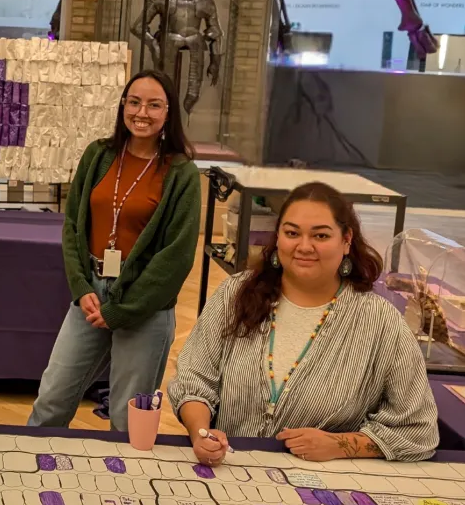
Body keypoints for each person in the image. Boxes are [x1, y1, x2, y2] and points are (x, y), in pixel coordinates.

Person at [169, 182, 438, 467]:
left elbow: (417, 429)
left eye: (320, 235)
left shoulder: (380, 321)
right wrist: (201, 432)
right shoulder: (235, 295)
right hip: (231, 472)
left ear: (346, 240)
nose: (304, 246)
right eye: (292, 233)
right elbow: (194, 380)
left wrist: (340, 445)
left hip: (324, 487)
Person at [28, 69, 201, 431]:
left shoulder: (181, 172)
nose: (142, 112)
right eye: (134, 102)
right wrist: (81, 287)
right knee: (52, 399)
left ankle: (121, 487)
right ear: (123, 105)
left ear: (169, 113)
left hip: (145, 306)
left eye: (154, 105)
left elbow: (177, 255)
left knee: (126, 419)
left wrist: (122, 310)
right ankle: (28, 480)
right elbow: (73, 226)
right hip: (91, 296)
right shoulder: (99, 154)